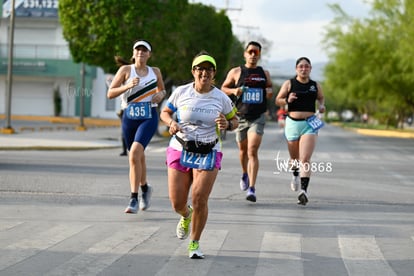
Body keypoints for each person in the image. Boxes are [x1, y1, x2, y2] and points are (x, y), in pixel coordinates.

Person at [160, 51, 238, 259]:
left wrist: (227, 124)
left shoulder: (221, 97)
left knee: (199, 197)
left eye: (208, 69)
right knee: (177, 202)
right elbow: (165, 112)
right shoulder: (181, 92)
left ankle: (194, 242)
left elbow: (235, 120)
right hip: (180, 147)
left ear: (214, 73)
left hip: (209, 150)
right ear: (193, 71)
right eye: (200, 69)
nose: (204, 73)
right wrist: (171, 123)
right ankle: (186, 215)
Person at [107, 40, 166, 213]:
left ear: (149, 54)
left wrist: (160, 95)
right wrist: (127, 86)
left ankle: (133, 198)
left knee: (134, 152)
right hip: (129, 117)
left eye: (144, 50)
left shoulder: (155, 72)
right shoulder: (125, 70)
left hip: (148, 117)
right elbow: (110, 93)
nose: (141, 52)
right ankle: (145, 188)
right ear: (133, 54)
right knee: (137, 157)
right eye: (137, 50)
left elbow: (162, 90)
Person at [221, 41, 273, 202]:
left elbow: (270, 89)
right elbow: (223, 88)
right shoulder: (237, 72)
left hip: (258, 117)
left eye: (256, 52)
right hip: (241, 117)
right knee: (243, 151)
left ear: (259, 55)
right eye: (250, 52)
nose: (253, 55)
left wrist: (269, 91)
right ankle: (245, 173)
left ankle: (252, 188)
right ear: (245, 53)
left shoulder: (264, 73)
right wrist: (234, 90)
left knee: (252, 151)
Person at [275, 57, 325, 205]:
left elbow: (321, 99)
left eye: (307, 67)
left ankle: (304, 191)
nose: (304, 69)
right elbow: (278, 99)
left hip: (309, 123)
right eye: (301, 66)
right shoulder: (289, 83)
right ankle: (295, 175)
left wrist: (321, 106)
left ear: (310, 69)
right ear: (296, 69)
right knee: (295, 159)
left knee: (305, 159)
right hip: (292, 123)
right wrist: (286, 100)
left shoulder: (315, 85)